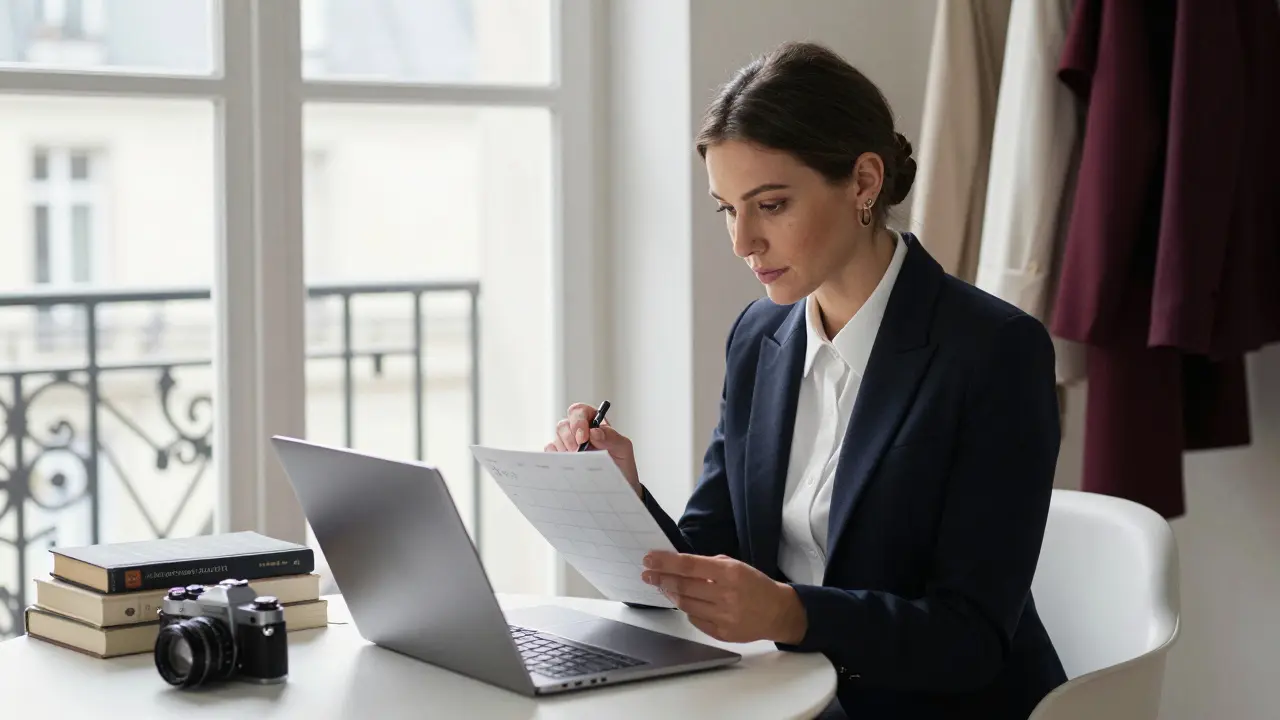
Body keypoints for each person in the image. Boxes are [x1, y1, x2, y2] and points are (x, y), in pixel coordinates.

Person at [546, 41, 1067, 719]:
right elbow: (713, 555)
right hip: (785, 698)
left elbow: (968, 638)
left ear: (863, 182)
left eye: (770, 204)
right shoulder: (759, 339)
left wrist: (791, 614)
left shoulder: (994, 352)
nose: (743, 242)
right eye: (727, 209)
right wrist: (624, 496)